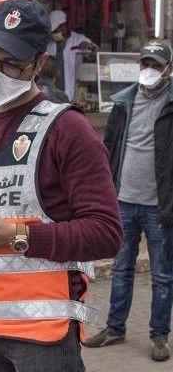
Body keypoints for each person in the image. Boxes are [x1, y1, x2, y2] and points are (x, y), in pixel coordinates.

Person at [0, 0, 122, 371]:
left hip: (45, 336)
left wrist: (11, 236)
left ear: (39, 64)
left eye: (12, 63)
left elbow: (105, 232)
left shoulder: (68, 130)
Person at [85, 38, 173, 362]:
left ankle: (159, 335)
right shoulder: (124, 103)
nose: (149, 70)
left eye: (155, 64)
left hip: (159, 206)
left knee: (163, 273)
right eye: (145, 63)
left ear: (168, 69)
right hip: (124, 200)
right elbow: (109, 149)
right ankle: (115, 327)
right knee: (122, 267)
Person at [46, 9, 99, 101]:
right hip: (53, 95)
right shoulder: (49, 44)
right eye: (53, 31)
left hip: (75, 93)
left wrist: (90, 47)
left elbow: (99, 53)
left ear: (65, 25)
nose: (55, 33)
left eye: (57, 30)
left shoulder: (78, 39)